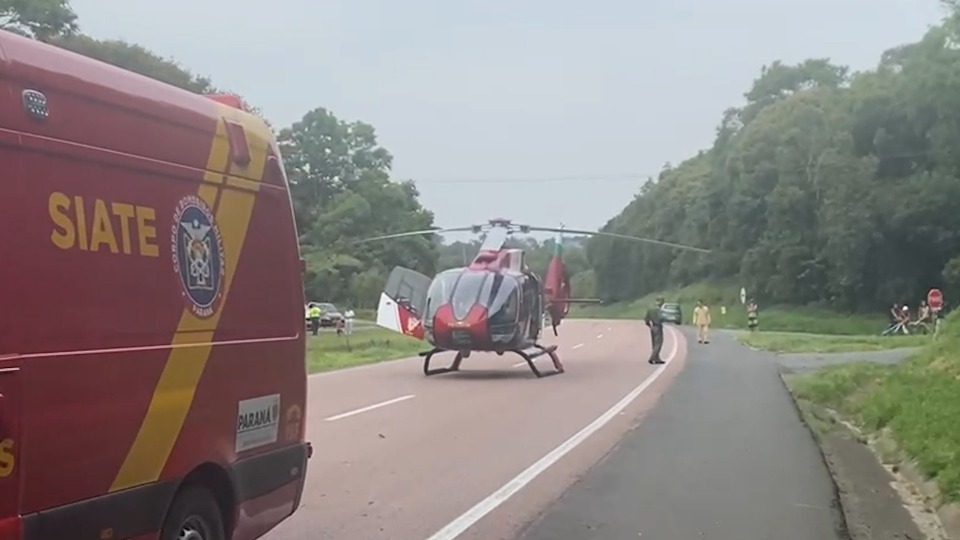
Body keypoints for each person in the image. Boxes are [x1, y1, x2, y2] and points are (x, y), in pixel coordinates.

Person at [644, 297, 666, 364]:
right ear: (660, 301)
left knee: (654, 343)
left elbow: (646, 319)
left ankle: (657, 358)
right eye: (662, 302)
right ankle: (652, 357)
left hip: (652, 327)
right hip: (658, 326)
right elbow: (661, 318)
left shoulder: (650, 309)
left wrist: (650, 326)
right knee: (658, 343)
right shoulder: (658, 310)